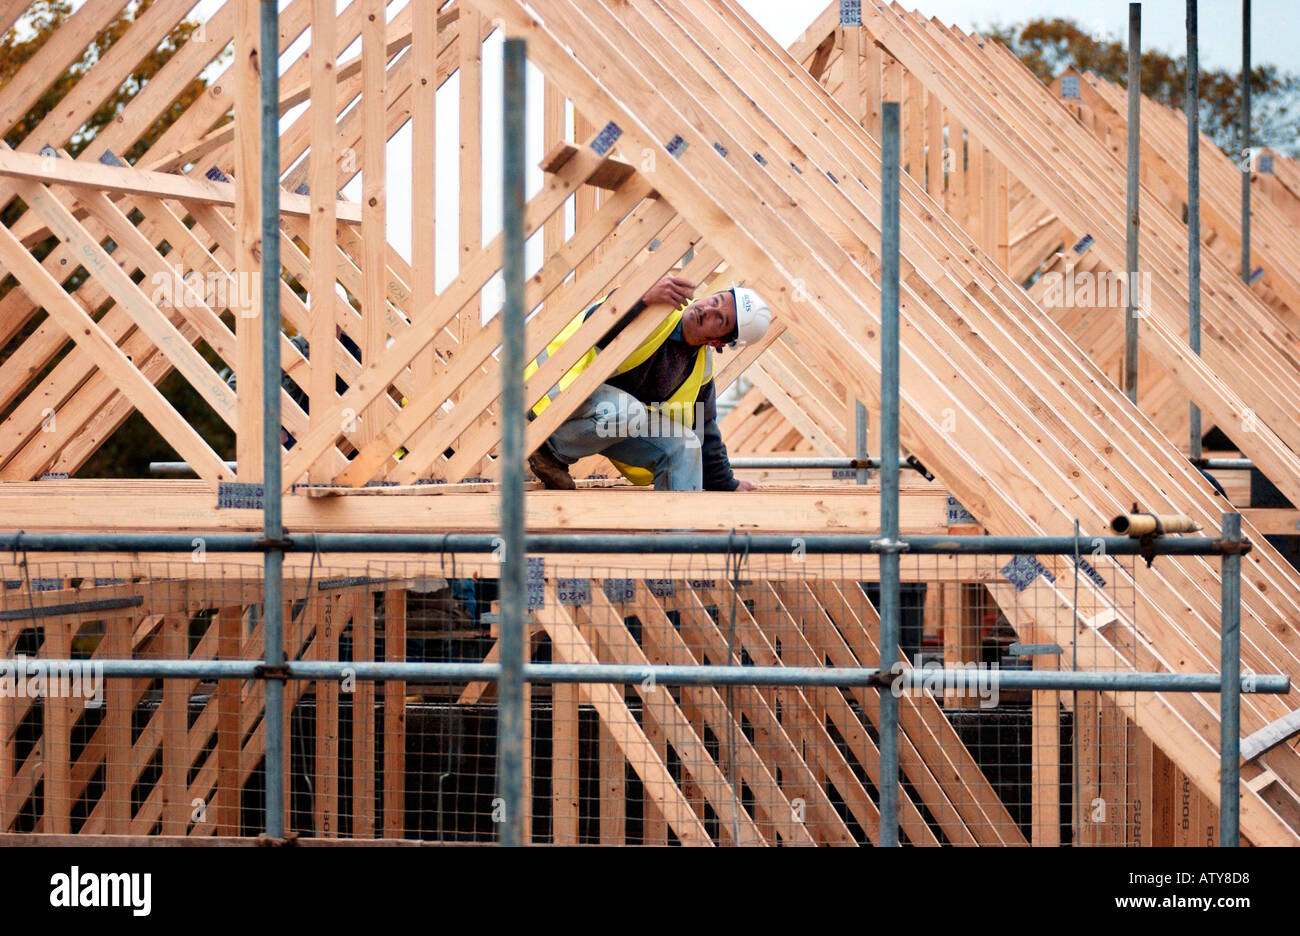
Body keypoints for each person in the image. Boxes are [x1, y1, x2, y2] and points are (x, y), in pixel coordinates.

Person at [525, 276, 771, 491]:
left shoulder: (700, 369)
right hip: (554, 393)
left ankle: (674, 538)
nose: (707, 310)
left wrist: (726, 482)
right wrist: (642, 300)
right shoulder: (656, 305)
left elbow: (704, 427)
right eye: (715, 301)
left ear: (718, 343)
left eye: (719, 320)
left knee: (686, 445)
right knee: (629, 412)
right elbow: (596, 327)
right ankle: (549, 451)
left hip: (612, 422)